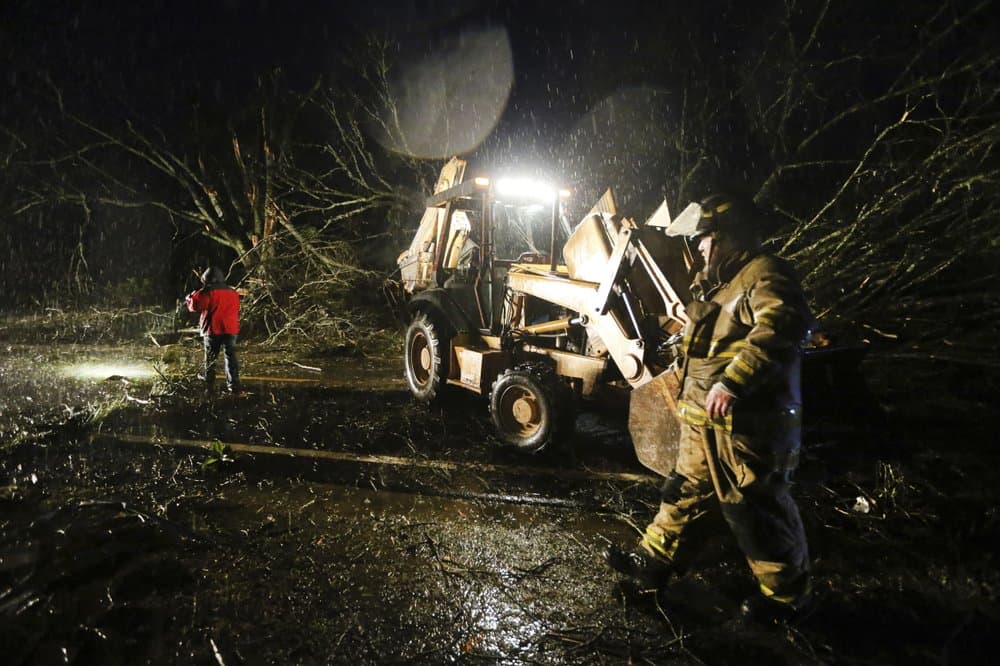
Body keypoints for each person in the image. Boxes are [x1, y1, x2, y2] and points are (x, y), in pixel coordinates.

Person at [605, 193, 815, 622]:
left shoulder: (765, 275)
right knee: (680, 495)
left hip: (746, 429)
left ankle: (785, 601)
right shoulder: (721, 286)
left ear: (728, 237)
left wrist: (732, 382)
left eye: (704, 240)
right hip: (704, 427)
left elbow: (780, 328)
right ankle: (652, 565)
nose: (699, 248)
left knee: (757, 509)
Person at [185, 266, 241, 394]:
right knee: (231, 357)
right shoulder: (233, 292)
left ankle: (209, 383)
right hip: (231, 329)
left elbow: (195, 306)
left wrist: (190, 298)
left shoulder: (206, 291)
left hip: (213, 329)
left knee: (210, 358)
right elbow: (237, 307)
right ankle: (234, 385)